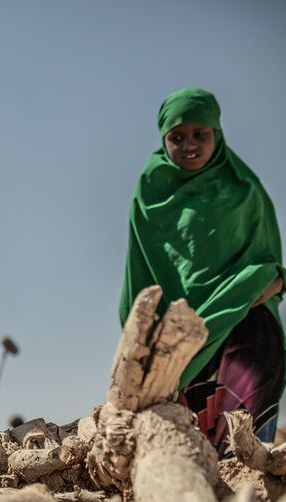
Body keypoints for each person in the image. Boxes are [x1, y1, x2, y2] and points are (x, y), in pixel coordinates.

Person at [121, 88, 285, 455]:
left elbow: (269, 257)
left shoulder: (243, 189)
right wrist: (142, 336)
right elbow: (140, 270)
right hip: (181, 343)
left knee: (245, 459)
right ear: (163, 139)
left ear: (217, 133)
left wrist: (274, 282)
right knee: (184, 453)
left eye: (200, 134)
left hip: (246, 330)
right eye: (177, 137)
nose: (189, 145)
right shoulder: (150, 191)